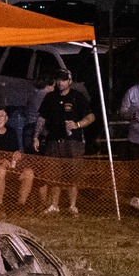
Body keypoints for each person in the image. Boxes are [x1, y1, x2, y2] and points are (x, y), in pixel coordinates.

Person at [34, 70, 94, 215]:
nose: (61, 82)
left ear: (69, 81)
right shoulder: (49, 97)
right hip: (54, 141)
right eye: (58, 80)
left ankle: (72, 206)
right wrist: (36, 136)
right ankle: (54, 205)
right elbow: (42, 118)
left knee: (73, 174)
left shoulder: (77, 97)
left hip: (73, 142)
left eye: (63, 80)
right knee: (54, 174)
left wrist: (78, 125)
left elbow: (91, 116)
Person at [0, 106, 31, 210]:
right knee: (1, 170)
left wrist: (17, 156)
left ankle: (21, 205)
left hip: (11, 165)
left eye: (1, 116)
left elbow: (16, 151)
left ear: (6, 118)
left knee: (29, 173)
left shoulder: (11, 132)